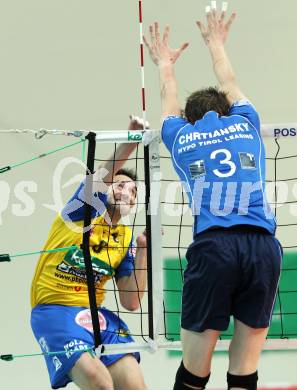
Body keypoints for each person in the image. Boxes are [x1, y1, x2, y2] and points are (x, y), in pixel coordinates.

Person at [144, 3, 282, 390]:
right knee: (244, 370)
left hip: (214, 247)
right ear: (228, 110)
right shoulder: (246, 122)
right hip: (262, 248)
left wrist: (165, 64)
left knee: (194, 370)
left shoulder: (181, 136)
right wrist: (216, 44)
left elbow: (168, 102)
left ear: (189, 119)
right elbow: (230, 78)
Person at [30, 116, 148, 390]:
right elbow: (105, 175)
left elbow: (131, 301)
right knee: (100, 382)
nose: (127, 193)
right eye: (120, 186)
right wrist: (132, 139)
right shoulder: (81, 213)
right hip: (54, 310)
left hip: (96, 314)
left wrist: (142, 250)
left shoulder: (127, 237)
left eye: (133, 191)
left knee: (134, 385)